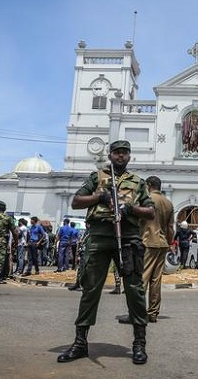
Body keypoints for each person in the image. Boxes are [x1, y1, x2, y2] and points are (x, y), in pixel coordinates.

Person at [58, 140, 155, 365]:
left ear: (129, 156)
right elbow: (76, 201)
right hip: (100, 236)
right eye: (117, 153)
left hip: (129, 238)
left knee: (134, 290)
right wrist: (99, 197)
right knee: (90, 289)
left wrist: (130, 208)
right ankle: (80, 343)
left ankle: (139, 344)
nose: (121, 156)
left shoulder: (138, 182)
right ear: (110, 156)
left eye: (125, 153)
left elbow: (150, 211)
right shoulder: (97, 177)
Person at [119, 175, 173, 323]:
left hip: (148, 241)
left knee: (141, 278)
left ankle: (136, 313)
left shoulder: (146, 201)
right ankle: (153, 313)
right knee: (156, 280)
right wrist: (169, 243)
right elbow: (170, 227)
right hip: (162, 243)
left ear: (149, 185)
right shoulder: (168, 203)